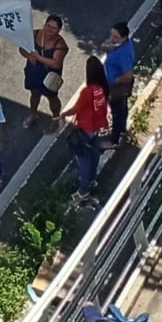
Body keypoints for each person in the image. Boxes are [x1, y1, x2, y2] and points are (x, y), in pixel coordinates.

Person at [59, 56, 110, 208]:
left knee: (83, 160)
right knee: (94, 153)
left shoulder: (87, 91)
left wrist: (63, 114)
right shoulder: (103, 88)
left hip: (85, 128)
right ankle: (92, 179)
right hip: (96, 127)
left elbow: (76, 109)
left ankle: (83, 191)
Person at [20, 14, 67, 128]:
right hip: (33, 71)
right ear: (44, 24)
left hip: (49, 76)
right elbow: (22, 48)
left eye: (54, 28)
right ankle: (33, 115)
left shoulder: (60, 44)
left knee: (52, 98)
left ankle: (56, 117)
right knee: (34, 94)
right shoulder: (34, 34)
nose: (50, 30)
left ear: (59, 30)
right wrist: (29, 56)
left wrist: (38, 57)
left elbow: (56, 63)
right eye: (48, 25)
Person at [102, 21, 135, 149]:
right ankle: (122, 129)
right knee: (122, 108)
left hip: (117, 88)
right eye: (111, 35)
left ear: (124, 38)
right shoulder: (116, 43)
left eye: (116, 37)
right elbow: (104, 46)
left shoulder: (124, 53)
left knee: (117, 113)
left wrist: (112, 83)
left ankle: (114, 141)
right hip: (113, 84)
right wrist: (107, 46)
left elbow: (128, 75)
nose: (112, 38)